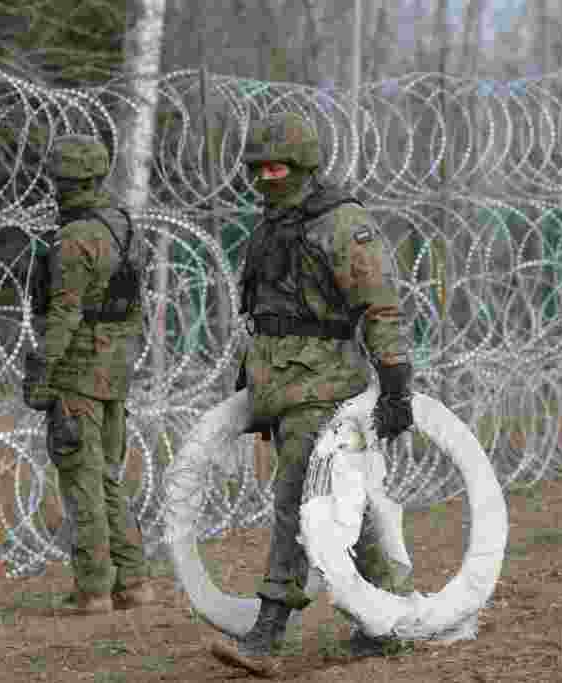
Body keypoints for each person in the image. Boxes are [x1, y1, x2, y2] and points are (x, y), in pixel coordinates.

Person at [210, 112, 415, 677]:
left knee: (296, 500)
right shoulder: (273, 223)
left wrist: (396, 382)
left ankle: (269, 631)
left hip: (324, 386)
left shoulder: (341, 222)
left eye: (277, 166)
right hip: (280, 383)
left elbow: (380, 305)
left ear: (302, 165)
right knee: (348, 503)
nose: (266, 176)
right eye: (259, 168)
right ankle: (390, 615)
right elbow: (267, 310)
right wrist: (249, 382)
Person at [23, 134, 154, 613]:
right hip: (116, 367)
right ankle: (134, 581)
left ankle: (93, 588)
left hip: (78, 370)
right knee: (107, 477)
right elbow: (133, 304)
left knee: (81, 478)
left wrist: (43, 374)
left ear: (61, 180)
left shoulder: (76, 237)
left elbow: (64, 316)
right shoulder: (122, 225)